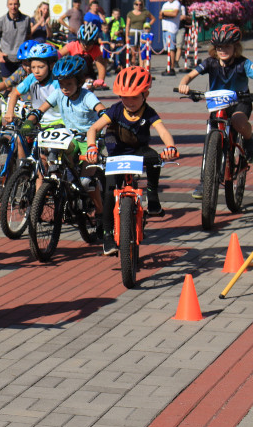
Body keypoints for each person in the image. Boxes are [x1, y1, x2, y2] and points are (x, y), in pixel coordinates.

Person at [86, 67, 177, 255]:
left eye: (135, 97)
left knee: (154, 158)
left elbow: (163, 131)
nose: (129, 102)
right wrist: (92, 148)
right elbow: (93, 130)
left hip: (138, 151)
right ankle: (108, 236)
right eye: (125, 97)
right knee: (110, 193)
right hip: (116, 153)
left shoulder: (149, 112)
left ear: (146, 94)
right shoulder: (115, 110)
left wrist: (170, 147)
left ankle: (152, 198)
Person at [178, 24, 253, 198]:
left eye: (227, 46)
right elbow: (190, 75)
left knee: (239, 122)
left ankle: (249, 142)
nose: (223, 50)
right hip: (218, 104)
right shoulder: (210, 62)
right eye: (219, 47)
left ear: (235, 47)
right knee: (211, 139)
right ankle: (205, 183)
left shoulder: (243, 63)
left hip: (240, 102)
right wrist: (184, 84)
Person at [24, 54, 104, 216]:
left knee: (86, 181)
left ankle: (101, 212)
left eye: (69, 84)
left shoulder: (86, 96)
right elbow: (41, 109)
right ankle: (63, 193)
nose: (64, 88)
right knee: (54, 156)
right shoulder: (59, 94)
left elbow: (101, 110)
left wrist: (105, 116)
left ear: (79, 82)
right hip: (71, 137)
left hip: (89, 140)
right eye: (61, 84)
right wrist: (29, 122)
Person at [0, 0, 30, 79]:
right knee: (7, 87)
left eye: (15, 4)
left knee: (22, 87)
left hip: (21, 58)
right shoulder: (0, 21)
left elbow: (29, 37)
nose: (13, 7)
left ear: (19, 5)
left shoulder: (26, 19)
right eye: (11, 4)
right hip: (6, 58)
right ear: (7, 5)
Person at [59, 22, 108, 89]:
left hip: (87, 75)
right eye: (83, 43)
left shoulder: (95, 49)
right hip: (72, 74)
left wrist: (100, 80)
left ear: (94, 42)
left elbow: (101, 67)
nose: (85, 46)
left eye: (89, 44)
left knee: (89, 85)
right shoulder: (73, 45)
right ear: (79, 40)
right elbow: (57, 55)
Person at [159, 0, 185, 76]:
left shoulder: (176, 3)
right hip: (165, 28)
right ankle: (168, 65)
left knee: (172, 49)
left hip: (172, 29)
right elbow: (160, 16)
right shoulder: (165, 4)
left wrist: (164, 13)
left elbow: (174, 14)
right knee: (168, 50)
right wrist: (165, 14)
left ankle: (172, 66)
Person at [125, 0, 155, 65]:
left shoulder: (145, 12)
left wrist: (147, 26)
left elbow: (153, 19)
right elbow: (127, 25)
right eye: (137, 4)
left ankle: (141, 66)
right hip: (133, 33)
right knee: (133, 52)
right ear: (134, 5)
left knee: (141, 51)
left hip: (142, 33)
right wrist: (126, 36)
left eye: (140, 5)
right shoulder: (130, 14)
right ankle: (133, 66)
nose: (138, 6)